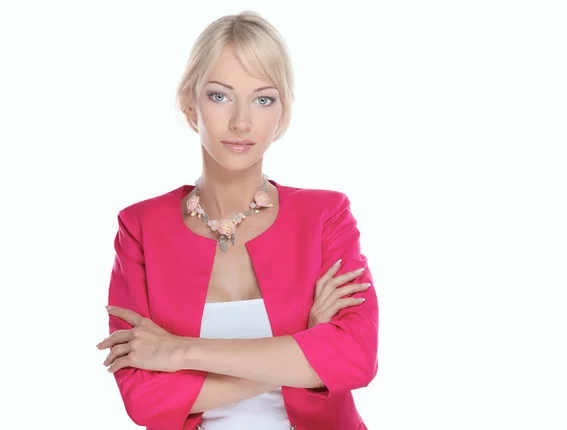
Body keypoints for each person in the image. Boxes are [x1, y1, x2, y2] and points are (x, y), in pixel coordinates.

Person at [96, 10, 379, 430]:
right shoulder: (140, 228)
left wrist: (181, 353)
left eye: (263, 98)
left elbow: (356, 359)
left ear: (282, 112)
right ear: (189, 103)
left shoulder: (326, 216)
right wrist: (304, 351)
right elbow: (145, 401)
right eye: (220, 95)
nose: (242, 121)